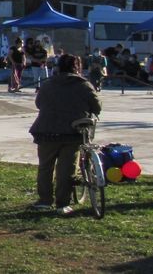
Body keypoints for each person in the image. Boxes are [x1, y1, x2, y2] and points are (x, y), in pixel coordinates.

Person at [28, 54, 101, 215]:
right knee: (67, 169)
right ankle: (62, 203)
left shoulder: (47, 84)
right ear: (77, 68)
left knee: (45, 167)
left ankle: (44, 200)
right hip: (72, 133)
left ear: (58, 67)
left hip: (46, 131)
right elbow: (97, 107)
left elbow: (39, 104)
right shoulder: (84, 85)